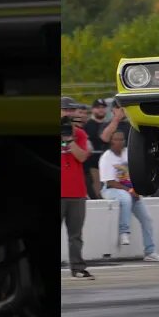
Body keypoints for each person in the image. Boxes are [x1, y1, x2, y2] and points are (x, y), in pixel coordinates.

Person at [98, 130, 159, 262]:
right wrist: (130, 191)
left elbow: (138, 172)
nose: (120, 142)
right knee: (125, 198)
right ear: (111, 141)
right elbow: (110, 182)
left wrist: (136, 190)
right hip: (111, 189)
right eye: (117, 139)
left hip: (131, 189)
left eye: (122, 139)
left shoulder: (128, 153)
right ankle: (124, 232)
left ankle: (150, 251)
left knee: (147, 219)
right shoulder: (107, 157)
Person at [62, 96, 93, 279]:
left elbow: (82, 157)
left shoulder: (79, 133)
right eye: (65, 109)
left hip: (75, 191)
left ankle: (78, 267)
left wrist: (69, 140)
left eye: (70, 110)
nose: (69, 113)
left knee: (76, 235)